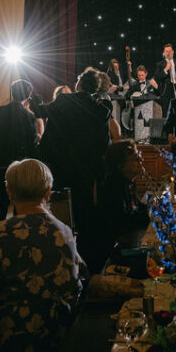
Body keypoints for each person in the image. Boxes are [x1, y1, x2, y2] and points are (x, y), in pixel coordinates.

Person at [0, 159, 85, 352]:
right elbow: (79, 283)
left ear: (9, 192)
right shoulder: (64, 233)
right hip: (60, 351)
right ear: (48, 192)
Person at [37, 69, 111, 264]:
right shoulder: (101, 109)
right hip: (87, 168)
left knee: (61, 210)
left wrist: (33, 97)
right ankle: (84, 260)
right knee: (84, 211)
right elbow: (104, 143)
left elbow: (39, 111)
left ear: (79, 84)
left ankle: (60, 256)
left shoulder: (64, 100)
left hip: (61, 165)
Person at [0, 79, 42, 223]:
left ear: (12, 93)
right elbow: (32, 144)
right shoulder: (30, 117)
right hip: (19, 164)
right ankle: (16, 231)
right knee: (18, 200)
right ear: (28, 96)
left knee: (1, 200)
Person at [92, 140, 151, 272]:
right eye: (135, 158)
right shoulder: (113, 187)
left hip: (128, 244)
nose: (140, 160)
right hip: (117, 255)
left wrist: (152, 209)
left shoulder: (128, 182)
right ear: (121, 166)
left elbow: (137, 208)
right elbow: (123, 224)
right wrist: (151, 214)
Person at [126, 65, 158, 142]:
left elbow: (158, 94)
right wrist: (132, 96)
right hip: (137, 109)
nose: (140, 77)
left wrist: (156, 87)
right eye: (139, 75)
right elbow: (127, 95)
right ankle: (138, 140)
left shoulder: (150, 83)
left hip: (149, 109)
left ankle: (148, 140)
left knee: (148, 127)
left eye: (142, 75)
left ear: (146, 74)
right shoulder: (134, 84)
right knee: (139, 127)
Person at [154, 43, 176, 111]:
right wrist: (166, 69)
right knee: (166, 111)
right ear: (164, 53)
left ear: (173, 52)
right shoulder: (159, 64)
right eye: (166, 51)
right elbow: (157, 77)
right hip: (166, 91)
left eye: (170, 51)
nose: (168, 53)